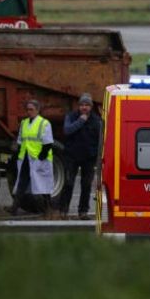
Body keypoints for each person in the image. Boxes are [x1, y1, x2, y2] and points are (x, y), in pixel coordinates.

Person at [5, 99, 56, 218]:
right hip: (26, 158)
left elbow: (48, 143)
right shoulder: (24, 123)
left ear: (37, 110)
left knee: (43, 184)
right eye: (27, 109)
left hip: (39, 159)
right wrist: (18, 154)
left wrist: (41, 157)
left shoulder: (44, 123)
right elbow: (21, 141)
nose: (29, 112)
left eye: (31, 109)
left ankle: (48, 209)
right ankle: (14, 207)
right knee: (22, 182)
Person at [58, 92, 101, 220]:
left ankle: (83, 211)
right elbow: (67, 130)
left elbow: (100, 140)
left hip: (89, 157)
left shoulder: (96, 120)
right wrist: (80, 121)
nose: (84, 107)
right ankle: (63, 211)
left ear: (91, 106)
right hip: (72, 156)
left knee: (86, 185)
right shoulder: (71, 116)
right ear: (78, 106)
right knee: (68, 183)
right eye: (82, 104)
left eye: (87, 105)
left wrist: (98, 160)